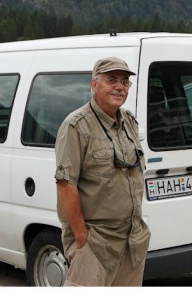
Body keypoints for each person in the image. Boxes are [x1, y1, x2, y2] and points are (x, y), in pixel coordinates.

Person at [55, 56, 151, 286]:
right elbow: (66, 185)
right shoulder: (76, 126)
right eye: (112, 80)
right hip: (96, 246)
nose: (120, 86)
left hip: (132, 243)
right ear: (94, 84)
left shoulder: (129, 121)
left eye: (125, 81)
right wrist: (81, 238)